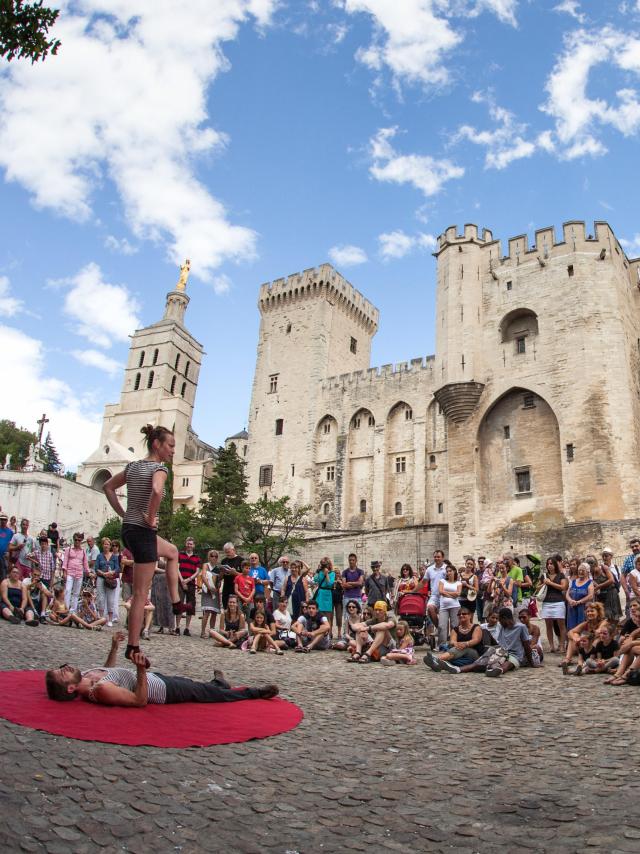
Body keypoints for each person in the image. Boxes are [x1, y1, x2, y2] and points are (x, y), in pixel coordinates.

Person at [102, 424, 181, 665]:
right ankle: (133, 645)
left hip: (129, 529)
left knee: (172, 551)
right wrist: (150, 516)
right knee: (139, 595)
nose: (173, 451)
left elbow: (108, 487)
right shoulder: (159, 468)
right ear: (157, 444)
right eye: (170, 445)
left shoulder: (133, 466)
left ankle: (176, 601)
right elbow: (157, 491)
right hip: (143, 531)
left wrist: (123, 513)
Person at [45, 633, 279, 705]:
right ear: (71, 689)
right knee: (209, 696)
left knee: (196, 686)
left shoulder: (87, 675)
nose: (65, 667)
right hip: (160, 689)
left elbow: (109, 670)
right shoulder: (100, 690)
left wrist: (113, 649)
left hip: (155, 678)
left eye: (61, 667)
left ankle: (218, 683)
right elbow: (139, 701)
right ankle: (254, 693)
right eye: (62, 673)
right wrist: (139, 669)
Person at [441, 608, 535, 676]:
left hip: (515, 655)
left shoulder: (521, 627)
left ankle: (498, 670)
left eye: (499, 619)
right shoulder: (503, 627)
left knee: (508, 664)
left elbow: (526, 645)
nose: (498, 622)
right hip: (502, 651)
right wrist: (492, 651)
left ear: (505, 618)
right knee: (481, 661)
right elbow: (500, 644)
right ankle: (457, 669)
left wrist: (532, 663)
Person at [424, 603, 484, 672]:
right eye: (459, 614)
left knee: (464, 648)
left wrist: (465, 644)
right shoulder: (455, 629)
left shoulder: (476, 627)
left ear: (470, 615)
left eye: (464, 614)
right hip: (459, 651)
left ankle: (437, 659)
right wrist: (456, 644)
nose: (461, 615)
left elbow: (476, 640)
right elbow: (452, 641)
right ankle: (439, 665)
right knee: (455, 648)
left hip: (474, 653)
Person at [561, 602, 605, 672]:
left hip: (598, 650)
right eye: (588, 611)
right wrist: (576, 638)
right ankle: (567, 659)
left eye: (592, 611)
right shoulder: (586, 623)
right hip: (587, 647)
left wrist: (585, 637)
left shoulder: (603, 622)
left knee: (598, 639)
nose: (589, 613)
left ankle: (582, 665)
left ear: (598, 612)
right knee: (574, 635)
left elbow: (598, 633)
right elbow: (570, 632)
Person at [540, 556, 568, 653]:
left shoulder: (561, 575)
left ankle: (562, 645)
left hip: (558, 601)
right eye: (548, 564)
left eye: (551, 563)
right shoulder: (544, 576)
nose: (549, 566)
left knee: (561, 624)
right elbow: (536, 588)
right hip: (547, 602)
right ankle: (551, 646)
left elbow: (563, 587)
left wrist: (550, 583)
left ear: (555, 564)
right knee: (548, 625)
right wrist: (544, 583)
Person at [175, 537, 200, 636]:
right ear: (185, 544)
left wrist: (188, 580)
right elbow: (176, 568)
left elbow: (197, 572)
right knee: (179, 604)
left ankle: (187, 628)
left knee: (190, 606)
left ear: (194, 545)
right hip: (180, 583)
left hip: (191, 584)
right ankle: (177, 627)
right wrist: (182, 581)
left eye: (191, 544)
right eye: (188, 543)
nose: (189, 545)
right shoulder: (180, 555)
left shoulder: (197, 557)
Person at [95, 537, 120, 627]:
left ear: (110, 546)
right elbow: (96, 568)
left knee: (111, 599)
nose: (106, 546)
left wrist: (111, 572)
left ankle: (110, 619)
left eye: (108, 544)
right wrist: (103, 573)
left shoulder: (114, 557)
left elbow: (117, 568)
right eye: (105, 544)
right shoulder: (99, 556)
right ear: (102, 545)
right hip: (101, 578)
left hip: (111, 579)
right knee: (101, 598)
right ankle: (101, 618)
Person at [62, 533, 89, 614]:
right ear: (73, 540)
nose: (77, 541)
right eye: (76, 540)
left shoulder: (83, 551)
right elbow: (65, 562)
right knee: (68, 590)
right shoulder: (68, 549)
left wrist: (88, 572)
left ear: (81, 541)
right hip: (70, 572)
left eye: (79, 540)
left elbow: (85, 563)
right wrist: (64, 572)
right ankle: (66, 609)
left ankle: (73, 611)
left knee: (76, 593)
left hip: (79, 574)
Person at [438, 564, 461, 646]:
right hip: (443, 607)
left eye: (450, 571)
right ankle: (441, 645)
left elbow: (458, 594)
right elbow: (441, 592)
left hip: (455, 606)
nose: (448, 573)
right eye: (447, 571)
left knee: (454, 626)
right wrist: (452, 594)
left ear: (454, 571)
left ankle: (453, 644)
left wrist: (446, 593)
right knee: (441, 625)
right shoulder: (442, 581)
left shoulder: (458, 583)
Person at [200, 549, 222, 638]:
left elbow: (219, 581)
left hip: (215, 591)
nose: (214, 558)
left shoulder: (218, 568)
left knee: (214, 612)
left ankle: (212, 631)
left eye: (216, 556)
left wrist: (217, 588)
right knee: (207, 612)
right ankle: (202, 632)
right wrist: (209, 587)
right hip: (207, 590)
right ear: (209, 556)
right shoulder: (206, 565)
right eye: (212, 556)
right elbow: (203, 576)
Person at [566, 562, 593, 630]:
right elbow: (567, 593)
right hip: (572, 608)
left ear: (587, 571)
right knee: (571, 628)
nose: (580, 572)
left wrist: (579, 602)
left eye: (583, 570)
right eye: (579, 570)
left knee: (582, 629)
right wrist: (570, 600)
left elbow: (590, 596)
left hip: (583, 609)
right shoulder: (573, 581)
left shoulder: (589, 582)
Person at [425, 550, 447, 631]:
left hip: (445, 595)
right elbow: (423, 582)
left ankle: (445, 633)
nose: (436, 558)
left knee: (444, 616)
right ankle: (440, 629)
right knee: (430, 608)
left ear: (442, 558)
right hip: (434, 596)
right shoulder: (429, 569)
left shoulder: (447, 568)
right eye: (435, 557)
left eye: (438, 557)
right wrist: (413, 591)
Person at [312, 558, 335, 628]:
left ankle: (328, 633)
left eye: (325, 564)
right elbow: (315, 579)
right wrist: (318, 570)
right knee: (319, 612)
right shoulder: (320, 572)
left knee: (328, 614)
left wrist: (327, 574)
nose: (324, 566)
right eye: (323, 564)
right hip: (320, 593)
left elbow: (330, 584)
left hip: (327, 593)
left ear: (329, 565)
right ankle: (318, 629)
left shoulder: (332, 573)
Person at [219, 542, 243, 609]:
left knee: (236, 608)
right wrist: (222, 572)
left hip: (237, 588)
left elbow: (245, 576)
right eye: (226, 552)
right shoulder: (224, 561)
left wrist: (235, 573)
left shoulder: (240, 560)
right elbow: (220, 578)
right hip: (226, 588)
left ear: (233, 550)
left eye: (228, 552)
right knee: (226, 607)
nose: (227, 554)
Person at [621, 537, 640, 617]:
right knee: (633, 613)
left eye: (636, 546)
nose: (634, 548)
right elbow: (622, 575)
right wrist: (626, 591)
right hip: (633, 591)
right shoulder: (628, 559)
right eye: (632, 547)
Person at [0, 511, 13, 580]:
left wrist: (10, 560)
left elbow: (11, 545)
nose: (3, 521)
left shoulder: (10, 532)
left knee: (3, 575)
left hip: (4, 557)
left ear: (7, 521)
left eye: (4, 519)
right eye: (1, 519)